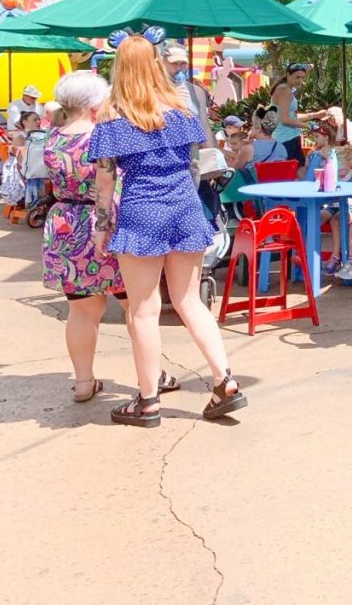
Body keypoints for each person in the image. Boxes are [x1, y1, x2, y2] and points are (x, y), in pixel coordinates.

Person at [91, 34, 245, 427]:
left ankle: (147, 401)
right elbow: (195, 162)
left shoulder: (114, 116)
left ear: (120, 68)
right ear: (158, 63)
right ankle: (224, 380)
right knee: (190, 301)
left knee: (144, 311)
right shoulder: (180, 107)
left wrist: (102, 225)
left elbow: (105, 180)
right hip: (185, 206)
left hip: (142, 209)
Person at [41, 71, 133, 404]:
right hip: (105, 222)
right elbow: (110, 184)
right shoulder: (102, 137)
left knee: (81, 311)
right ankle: (151, 377)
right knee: (134, 306)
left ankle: (83, 382)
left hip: (65, 224)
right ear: (96, 101)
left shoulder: (53, 136)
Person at [271, 64, 325, 167]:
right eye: (297, 77)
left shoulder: (286, 88)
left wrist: (314, 115)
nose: (300, 81)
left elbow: (292, 117)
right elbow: (285, 119)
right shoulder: (285, 90)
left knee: (300, 170)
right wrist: (309, 126)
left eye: (302, 78)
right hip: (285, 140)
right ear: (288, 75)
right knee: (296, 172)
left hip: (289, 138)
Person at [164, 44, 212, 152]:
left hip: (193, 152)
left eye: (183, 63)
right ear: (163, 63)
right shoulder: (155, 91)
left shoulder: (196, 92)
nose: (179, 68)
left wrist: (213, 153)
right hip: (167, 155)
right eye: (174, 63)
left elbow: (204, 126)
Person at [19, 110, 48, 209]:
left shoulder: (43, 134)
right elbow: (19, 157)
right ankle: (36, 204)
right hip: (26, 171)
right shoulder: (21, 136)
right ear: (25, 122)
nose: (39, 122)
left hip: (36, 169)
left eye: (39, 119)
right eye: (35, 120)